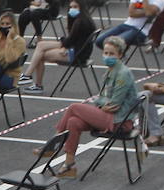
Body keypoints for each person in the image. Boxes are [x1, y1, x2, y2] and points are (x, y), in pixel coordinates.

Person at [49, 35, 139, 179]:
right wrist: (102, 103)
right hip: (108, 116)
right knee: (73, 122)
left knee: (74, 107)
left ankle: (54, 141)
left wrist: (102, 102)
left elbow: (114, 104)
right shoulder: (110, 71)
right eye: (105, 53)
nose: (107, 56)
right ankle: (69, 165)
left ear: (120, 55)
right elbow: (103, 100)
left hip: (120, 121)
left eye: (112, 54)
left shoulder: (123, 74)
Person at [20, 0, 95, 94]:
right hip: (77, 49)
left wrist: (64, 45)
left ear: (82, 7)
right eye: (71, 7)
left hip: (77, 54)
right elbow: (72, 40)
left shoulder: (80, 22)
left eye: (75, 7)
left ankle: (34, 81)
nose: (72, 9)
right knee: (41, 46)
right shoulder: (84, 19)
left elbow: (69, 41)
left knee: (40, 54)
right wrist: (65, 44)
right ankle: (28, 76)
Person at [96, 0, 164, 49]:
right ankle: (117, 55)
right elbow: (131, 13)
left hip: (141, 30)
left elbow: (148, 13)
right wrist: (147, 9)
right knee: (99, 41)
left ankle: (117, 56)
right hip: (127, 25)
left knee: (116, 43)